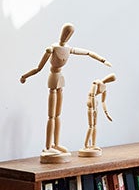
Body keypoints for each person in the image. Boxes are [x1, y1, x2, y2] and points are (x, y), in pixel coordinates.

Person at [19, 23, 112, 162]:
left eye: (70, 33)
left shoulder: (68, 48)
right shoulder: (52, 49)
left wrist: (102, 60)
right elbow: (39, 68)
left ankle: (56, 143)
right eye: (66, 32)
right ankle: (48, 146)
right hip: (53, 78)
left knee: (58, 115)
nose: (67, 35)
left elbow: (87, 53)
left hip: (61, 79)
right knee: (51, 116)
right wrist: (25, 76)